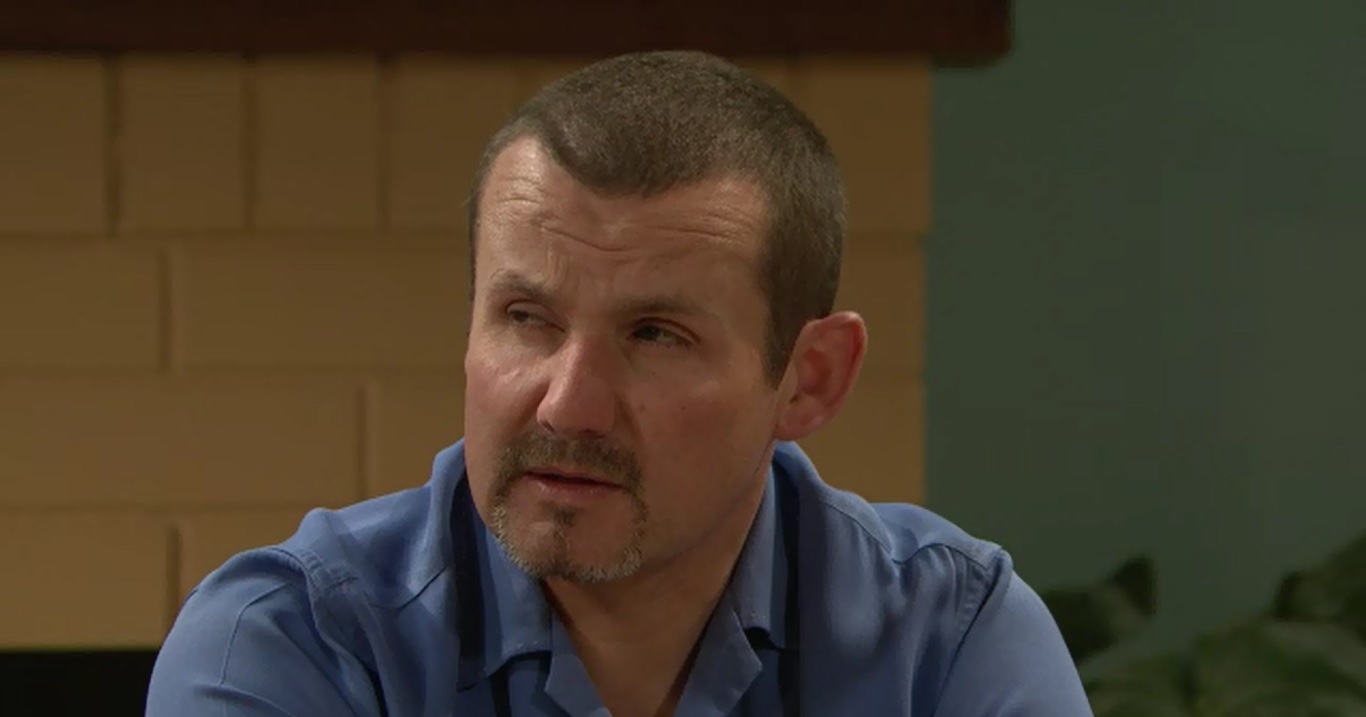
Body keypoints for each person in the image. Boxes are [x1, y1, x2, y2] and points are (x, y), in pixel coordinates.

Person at [146, 50, 1093, 717]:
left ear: (808, 380)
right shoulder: (295, 643)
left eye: (654, 335)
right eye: (527, 318)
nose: (568, 405)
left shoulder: (946, 639)